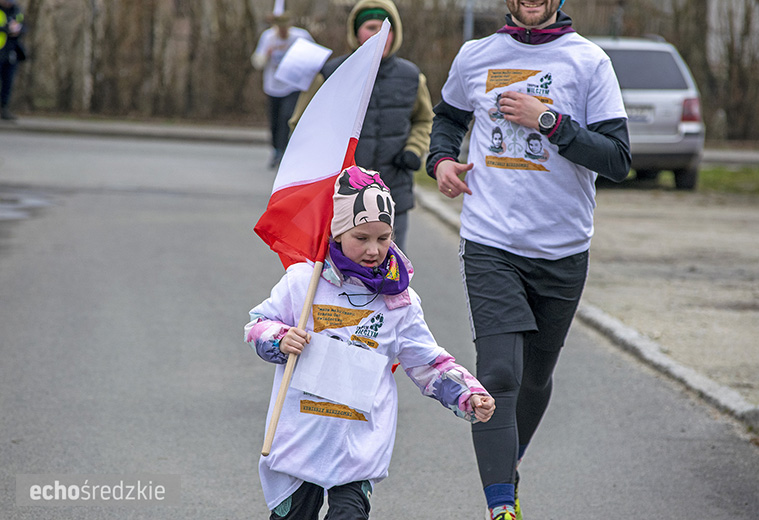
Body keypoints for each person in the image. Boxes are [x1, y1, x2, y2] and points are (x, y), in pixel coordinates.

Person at [425, 1, 631, 519]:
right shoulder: (476, 55)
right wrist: (442, 160)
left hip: (562, 248)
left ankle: (506, 461)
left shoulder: (589, 62)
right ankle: (502, 507)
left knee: (535, 378)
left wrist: (551, 122)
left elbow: (618, 159)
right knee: (498, 373)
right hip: (490, 239)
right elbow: (448, 116)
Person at [244, 165, 495, 519]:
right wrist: (280, 338)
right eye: (361, 238)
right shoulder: (304, 281)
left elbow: (427, 363)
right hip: (302, 435)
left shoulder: (399, 300)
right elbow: (256, 326)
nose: (374, 250)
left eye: (384, 237)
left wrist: (468, 393)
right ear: (337, 231)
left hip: (357, 443)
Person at [289, 0, 433, 252]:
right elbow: (301, 124)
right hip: (342, 194)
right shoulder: (332, 73)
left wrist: (414, 149)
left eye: (385, 28)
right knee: (340, 272)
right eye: (371, 27)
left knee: (389, 271)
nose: (379, 35)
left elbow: (423, 120)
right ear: (356, 32)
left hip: (393, 190)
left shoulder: (412, 77)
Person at [251, 12, 314, 169]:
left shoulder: (300, 36)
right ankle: (276, 149)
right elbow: (257, 62)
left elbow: (314, 54)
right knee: (275, 120)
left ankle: (284, 151)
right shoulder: (268, 37)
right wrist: (267, 54)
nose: (283, 31)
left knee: (287, 117)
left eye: (285, 28)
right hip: (273, 86)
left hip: (292, 85)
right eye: (280, 28)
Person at [0, 0, 25, 121]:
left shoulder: (16, 10)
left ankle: (4, 109)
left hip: (11, 51)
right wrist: (7, 29)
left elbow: (24, 26)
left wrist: (18, 30)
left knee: (8, 82)